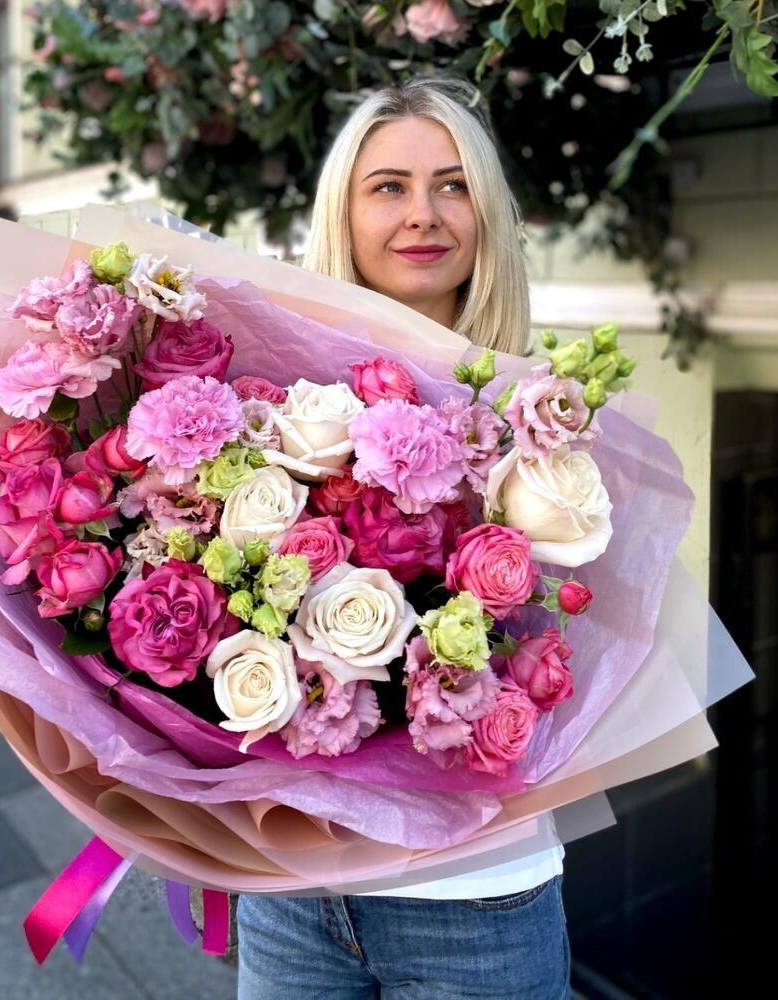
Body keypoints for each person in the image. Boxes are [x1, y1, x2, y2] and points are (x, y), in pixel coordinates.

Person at [235, 78, 571, 1000]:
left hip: (476, 900)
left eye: (453, 185)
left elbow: (576, 650)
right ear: (342, 213)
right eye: (388, 186)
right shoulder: (276, 405)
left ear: (486, 213)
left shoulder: (544, 415)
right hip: (296, 894)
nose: (424, 213)